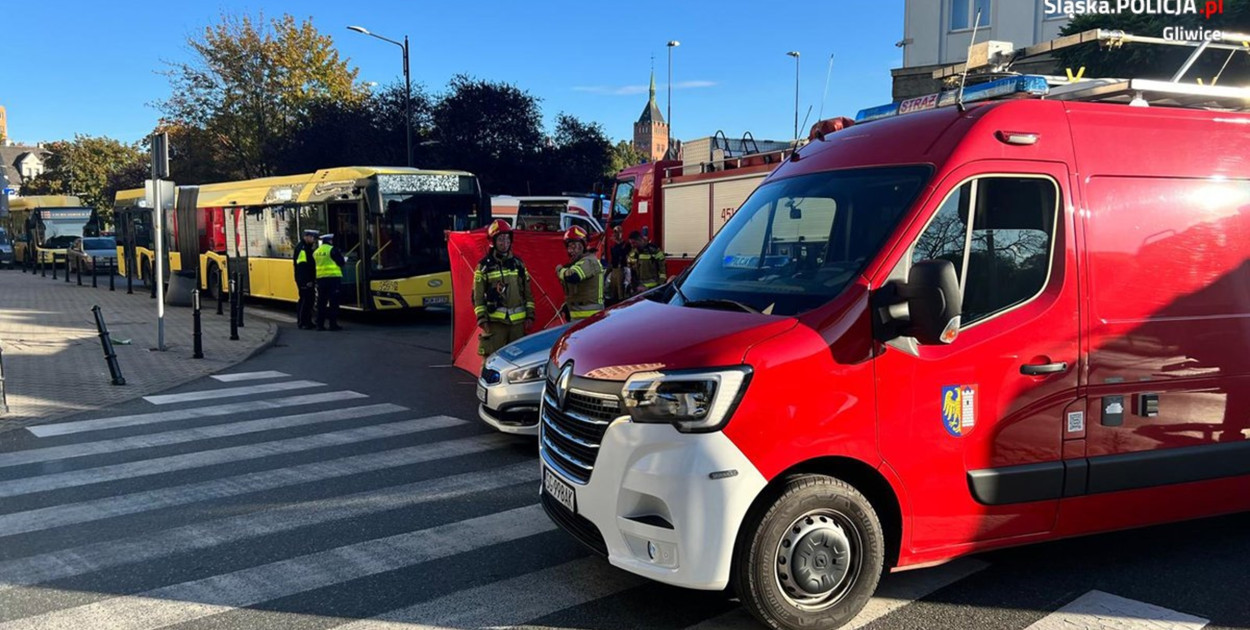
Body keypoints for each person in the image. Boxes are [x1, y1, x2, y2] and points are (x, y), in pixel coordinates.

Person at [473, 219, 534, 356]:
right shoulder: (484, 267)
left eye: (507, 238)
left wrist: (530, 316)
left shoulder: (518, 264)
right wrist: (482, 320)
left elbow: (528, 293)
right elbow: (477, 296)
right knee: (492, 360)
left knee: (519, 362)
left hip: (517, 325)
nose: (505, 243)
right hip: (495, 324)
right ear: (493, 242)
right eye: (501, 239)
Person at [555, 226, 604, 322]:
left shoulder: (589, 261)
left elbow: (573, 276)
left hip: (589, 318)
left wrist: (559, 270)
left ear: (584, 246)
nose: (572, 250)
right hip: (578, 317)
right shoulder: (577, 263)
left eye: (575, 246)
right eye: (569, 246)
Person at [314, 233, 346, 331]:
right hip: (333, 279)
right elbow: (341, 262)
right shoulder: (332, 250)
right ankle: (333, 325)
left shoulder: (316, 251)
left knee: (321, 303)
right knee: (333, 303)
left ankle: (320, 325)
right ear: (330, 241)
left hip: (320, 279)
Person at [293, 229, 319, 329]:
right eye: (312, 237)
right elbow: (302, 267)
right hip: (304, 280)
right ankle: (302, 322)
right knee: (305, 301)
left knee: (310, 301)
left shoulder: (307, 248)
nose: (314, 240)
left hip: (307, 280)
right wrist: (306, 281)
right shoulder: (302, 249)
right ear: (306, 237)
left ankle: (307, 321)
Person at [627, 229, 666, 293]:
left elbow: (662, 269)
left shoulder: (654, 250)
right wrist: (634, 286)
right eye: (631, 243)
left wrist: (660, 284)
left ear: (640, 240)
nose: (632, 245)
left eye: (634, 243)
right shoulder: (633, 253)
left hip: (653, 288)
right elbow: (630, 271)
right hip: (638, 288)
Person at [606, 225, 633, 306]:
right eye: (614, 232)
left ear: (621, 233)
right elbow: (613, 258)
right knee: (612, 292)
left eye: (617, 232)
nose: (615, 234)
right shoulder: (613, 246)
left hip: (622, 270)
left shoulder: (626, 244)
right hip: (614, 270)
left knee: (621, 292)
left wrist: (617, 242)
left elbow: (622, 253)